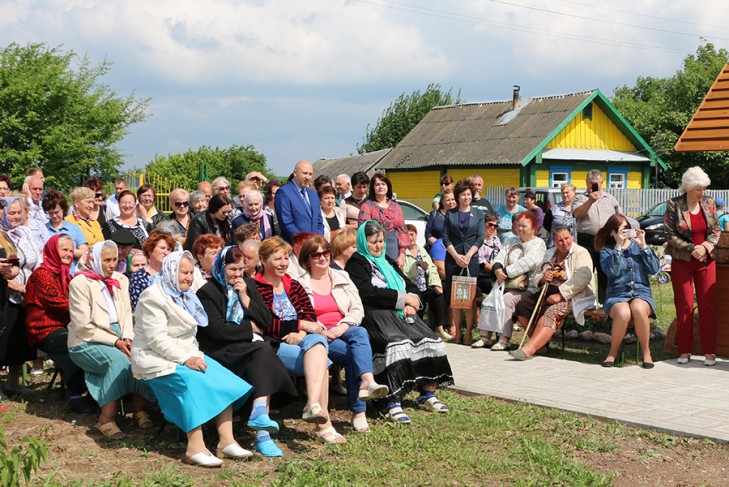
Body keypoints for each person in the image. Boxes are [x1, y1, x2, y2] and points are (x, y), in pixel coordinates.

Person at [132, 251, 255, 467]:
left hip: (187, 354)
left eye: (191, 272)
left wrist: (194, 357)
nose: (188, 277)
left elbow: (190, 336)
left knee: (223, 379)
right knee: (192, 383)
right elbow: (156, 339)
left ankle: (226, 441)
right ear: (171, 271)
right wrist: (186, 359)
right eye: (184, 272)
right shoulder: (153, 296)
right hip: (156, 359)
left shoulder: (187, 296)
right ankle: (194, 447)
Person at [345, 221, 453, 424]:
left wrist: (413, 301)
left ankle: (427, 394)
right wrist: (402, 299)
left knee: (432, 340)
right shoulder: (357, 262)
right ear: (362, 241)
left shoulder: (387, 260)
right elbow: (367, 293)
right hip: (375, 316)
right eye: (373, 242)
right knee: (397, 345)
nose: (378, 246)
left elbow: (410, 284)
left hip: (401, 314)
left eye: (381, 241)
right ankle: (391, 402)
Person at [196, 246, 297, 456]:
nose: (237, 274)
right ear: (221, 267)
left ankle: (260, 422)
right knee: (262, 350)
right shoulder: (207, 292)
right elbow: (216, 330)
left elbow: (267, 320)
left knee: (261, 351)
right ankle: (261, 432)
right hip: (222, 350)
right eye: (232, 269)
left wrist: (244, 297)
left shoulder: (248, 285)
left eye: (241, 269)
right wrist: (249, 328)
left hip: (249, 347)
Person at [254, 237, 343, 444]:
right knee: (323, 360)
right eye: (277, 259)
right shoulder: (257, 287)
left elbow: (311, 317)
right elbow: (267, 324)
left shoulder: (292, 285)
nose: (284, 263)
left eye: (286, 258)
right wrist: (300, 326)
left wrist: (301, 333)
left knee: (318, 343)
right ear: (263, 260)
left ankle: (313, 406)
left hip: (301, 341)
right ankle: (323, 424)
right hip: (274, 345)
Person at [298, 236, 388, 433]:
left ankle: (367, 383)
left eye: (326, 253)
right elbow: (301, 316)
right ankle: (360, 409)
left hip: (344, 328)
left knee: (360, 332)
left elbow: (357, 309)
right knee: (353, 354)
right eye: (316, 255)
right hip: (320, 335)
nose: (322, 258)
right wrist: (322, 330)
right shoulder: (300, 285)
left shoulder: (342, 277)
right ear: (307, 259)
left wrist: (343, 326)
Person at [68, 241, 155, 439]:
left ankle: (139, 409)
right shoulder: (80, 283)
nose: (112, 264)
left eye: (115, 259)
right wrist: (116, 342)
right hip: (86, 340)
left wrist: (128, 338)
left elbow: (126, 314)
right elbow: (83, 325)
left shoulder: (120, 279)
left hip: (120, 334)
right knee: (119, 362)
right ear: (95, 260)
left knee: (140, 356)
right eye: (106, 260)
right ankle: (106, 419)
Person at [25, 235, 94, 412]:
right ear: (53, 251)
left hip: (65, 327)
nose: (69, 254)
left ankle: (93, 391)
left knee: (92, 342)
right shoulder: (42, 275)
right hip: (44, 329)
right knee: (75, 345)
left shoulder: (64, 274)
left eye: (71, 250)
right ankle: (75, 393)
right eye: (64, 250)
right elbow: (61, 303)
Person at [509, 227, 595, 360]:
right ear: (554, 242)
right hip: (547, 292)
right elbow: (536, 275)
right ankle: (540, 345)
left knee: (551, 311)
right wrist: (544, 278)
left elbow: (583, 277)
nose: (564, 242)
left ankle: (529, 349)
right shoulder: (549, 254)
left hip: (573, 296)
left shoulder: (581, 252)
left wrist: (561, 294)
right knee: (522, 305)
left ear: (571, 237)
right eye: (560, 240)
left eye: (566, 238)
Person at [664, 167, 721, 366]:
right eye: (698, 189)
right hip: (682, 262)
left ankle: (710, 353)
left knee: (708, 307)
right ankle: (684, 351)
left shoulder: (710, 203)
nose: (702, 193)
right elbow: (669, 234)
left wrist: (705, 247)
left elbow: (715, 230)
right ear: (688, 187)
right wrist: (691, 248)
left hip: (706, 261)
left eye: (704, 188)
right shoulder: (674, 204)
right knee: (685, 306)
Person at [595, 214, 659, 368]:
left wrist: (644, 246)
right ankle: (612, 353)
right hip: (617, 295)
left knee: (637, 308)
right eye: (621, 229)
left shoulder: (638, 247)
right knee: (624, 313)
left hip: (640, 292)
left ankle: (646, 352)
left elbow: (654, 269)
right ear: (612, 232)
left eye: (627, 228)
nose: (625, 232)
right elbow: (612, 272)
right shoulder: (607, 251)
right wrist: (618, 247)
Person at [482, 212, 546, 351]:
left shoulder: (538, 244)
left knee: (506, 299)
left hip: (528, 287)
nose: (521, 228)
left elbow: (529, 262)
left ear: (534, 227)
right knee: (491, 298)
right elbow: (500, 256)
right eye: (519, 226)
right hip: (507, 283)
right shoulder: (511, 240)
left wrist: (505, 272)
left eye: (524, 226)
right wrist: (497, 269)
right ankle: (485, 337)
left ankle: (504, 339)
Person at [443, 179, 485, 345]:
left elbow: (480, 237)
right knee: (455, 298)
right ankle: (457, 332)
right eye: (463, 195)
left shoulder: (479, 214)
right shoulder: (450, 214)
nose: (467, 197)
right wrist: (456, 256)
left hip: (471, 259)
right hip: (453, 259)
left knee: (469, 298)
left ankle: (468, 333)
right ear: (457, 196)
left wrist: (467, 256)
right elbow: (445, 237)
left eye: (469, 194)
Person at [573, 170, 622, 305]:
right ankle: (585, 304)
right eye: (590, 184)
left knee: (605, 272)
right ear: (586, 183)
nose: (593, 186)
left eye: (596, 184)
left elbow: (620, 218)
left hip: (606, 240)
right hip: (587, 239)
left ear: (602, 183)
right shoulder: (580, 198)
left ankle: (605, 303)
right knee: (585, 272)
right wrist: (590, 201)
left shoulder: (610, 199)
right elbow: (577, 214)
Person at [0, 223, 35, 397]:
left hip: (6, 295)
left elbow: (16, 263)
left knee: (12, 341)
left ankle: (14, 384)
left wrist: (9, 271)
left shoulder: (4, 236)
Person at [403, 224, 450, 342]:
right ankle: (416, 330)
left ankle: (439, 328)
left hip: (426, 285)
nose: (410, 237)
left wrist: (436, 284)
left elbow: (433, 269)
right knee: (418, 302)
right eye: (407, 235)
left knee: (438, 295)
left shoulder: (421, 250)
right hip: (412, 287)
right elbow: (406, 273)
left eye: (412, 234)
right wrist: (417, 265)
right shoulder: (403, 252)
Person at [358, 172, 409, 268]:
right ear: (373, 188)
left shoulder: (396, 207)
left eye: (383, 184)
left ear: (388, 186)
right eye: (377, 184)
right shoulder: (366, 207)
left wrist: (402, 254)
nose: (380, 187)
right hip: (375, 251)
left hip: (394, 250)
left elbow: (403, 232)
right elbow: (364, 233)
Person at [275, 160, 324, 242]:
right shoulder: (284, 192)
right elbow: (286, 223)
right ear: (295, 173)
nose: (307, 177)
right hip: (295, 245)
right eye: (305, 173)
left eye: (310, 174)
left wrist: (317, 239)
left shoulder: (313, 195)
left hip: (314, 246)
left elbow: (319, 221)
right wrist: (302, 241)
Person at [43, 189, 88, 272]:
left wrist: (68, 251)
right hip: (50, 273)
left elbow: (85, 253)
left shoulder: (74, 229)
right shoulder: (43, 229)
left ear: (63, 209)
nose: (54, 216)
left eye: (57, 212)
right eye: (51, 213)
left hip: (71, 273)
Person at [129, 231, 175, 310]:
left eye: (169, 249)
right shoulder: (138, 277)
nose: (166, 252)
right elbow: (136, 306)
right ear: (150, 249)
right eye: (162, 248)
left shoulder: (173, 275)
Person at [543, 183, 578, 248]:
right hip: (555, 246)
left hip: (573, 247)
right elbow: (546, 224)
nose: (564, 195)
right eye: (563, 193)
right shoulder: (554, 209)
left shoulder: (579, 208)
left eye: (567, 192)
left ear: (574, 193)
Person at [476, 212, 502, 296]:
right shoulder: (477, 240)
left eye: (495, 226)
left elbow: (502, 255)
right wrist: (496, 271)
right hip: (483, 276)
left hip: (497, 273)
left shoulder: (496, 239)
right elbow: (481, 263)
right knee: (499, 286)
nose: (492, 228)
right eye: (490, 224)